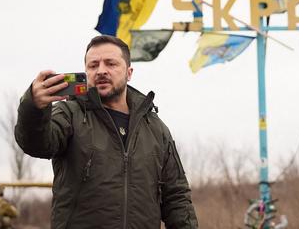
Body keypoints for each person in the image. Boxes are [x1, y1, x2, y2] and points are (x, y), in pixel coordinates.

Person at [14, 35, 198, 228]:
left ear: (129, 72)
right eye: (93, 65)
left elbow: (177, 197)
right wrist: (33, 107)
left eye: (110, 64)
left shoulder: (155, 128)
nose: (101, 71)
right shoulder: (69, 113)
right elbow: (37, 145)